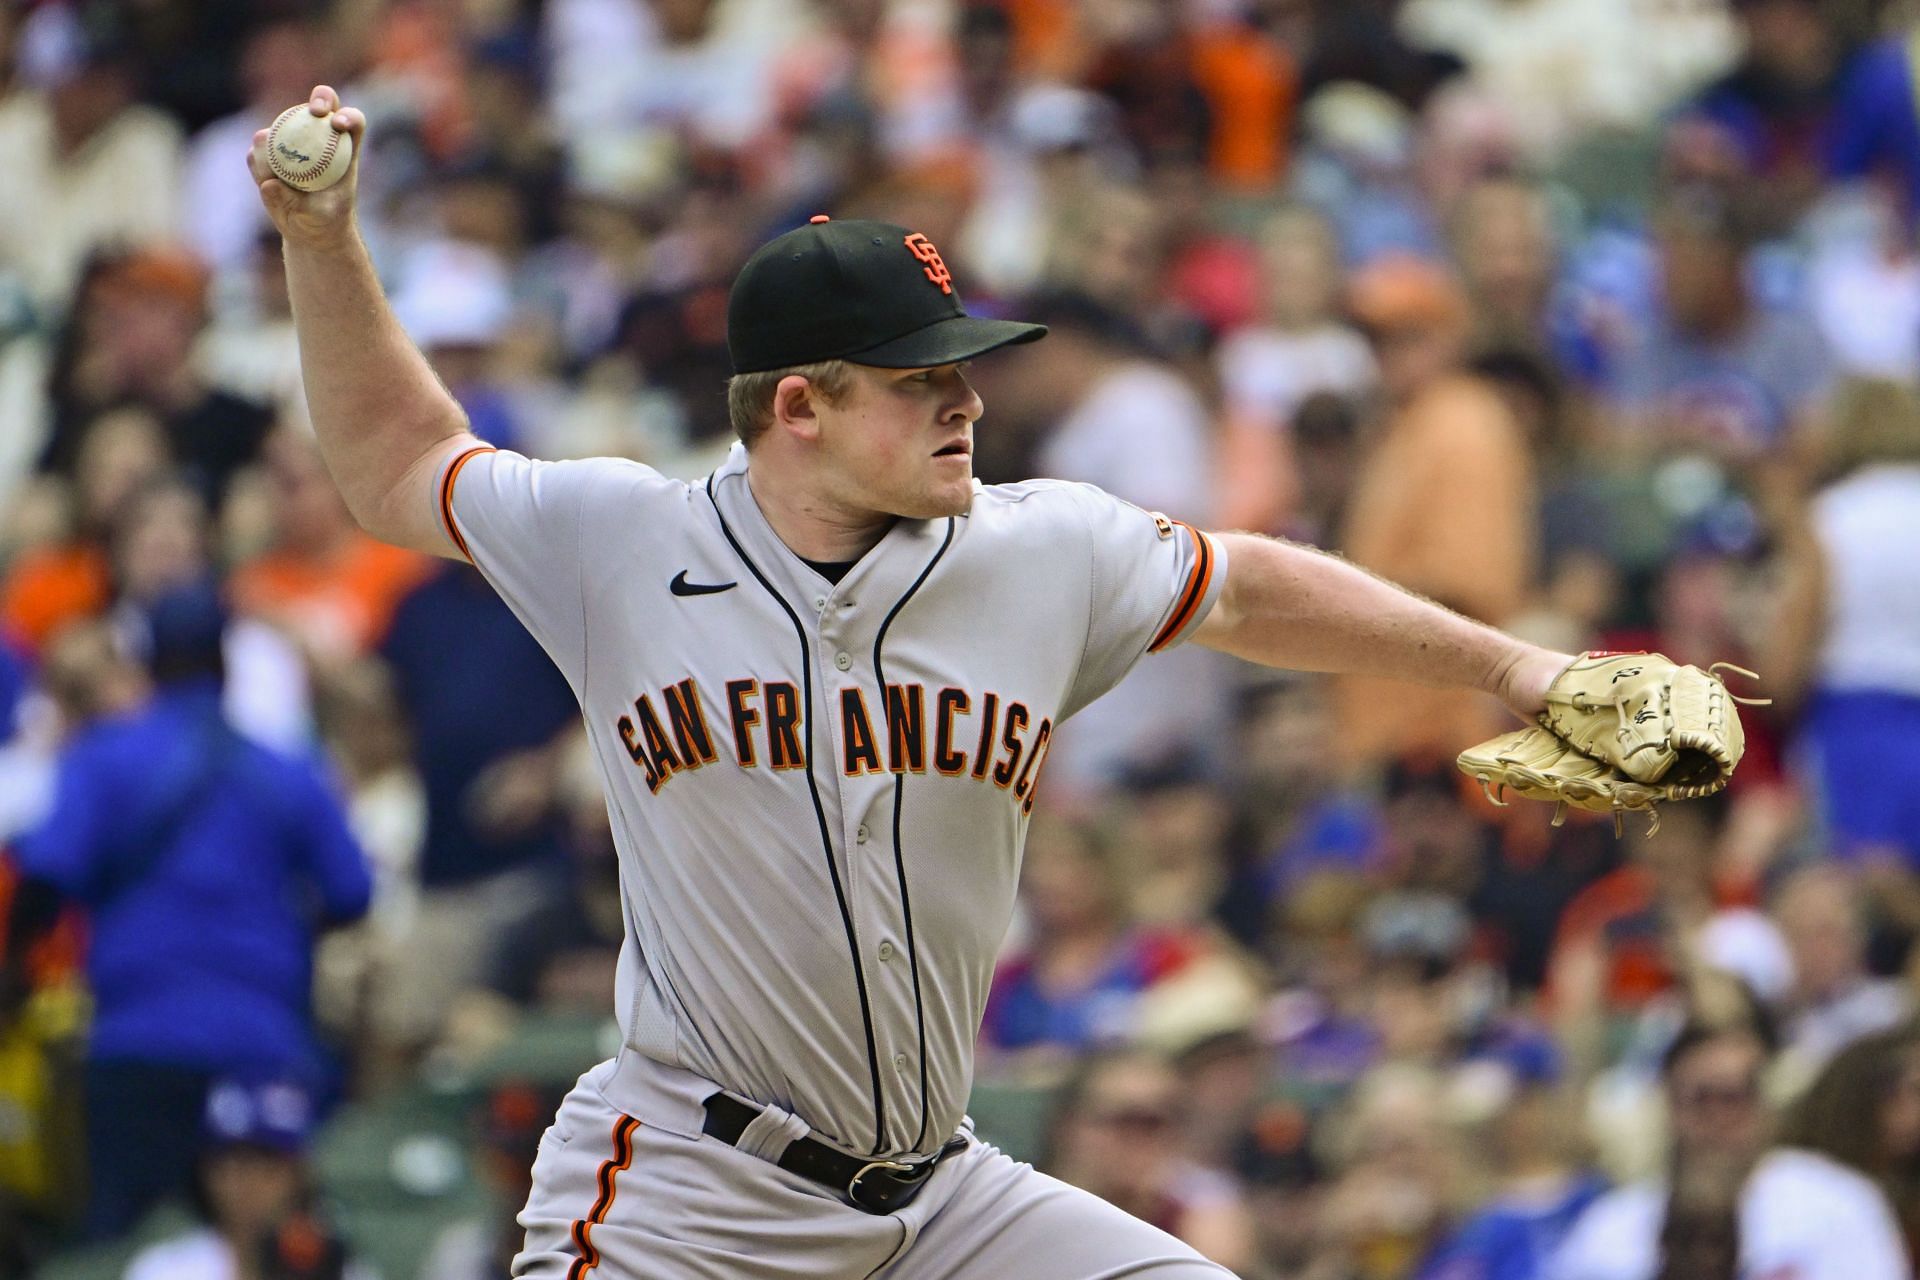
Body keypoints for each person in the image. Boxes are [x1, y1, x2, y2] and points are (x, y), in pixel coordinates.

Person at [252, 85, 1582, 1278]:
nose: (968, 402)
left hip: (939, 1203)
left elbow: (1250, 588)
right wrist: (322, 243)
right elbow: (397, 464)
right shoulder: (623, 542)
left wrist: (1518, 666)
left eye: (965, 369)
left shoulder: (1041, 548)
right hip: (692, 1199)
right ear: (799, 409)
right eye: (920, 378)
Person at [5, 582, 371, 1241]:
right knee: (265, 1253)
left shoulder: (104, 757)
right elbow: (353, 893)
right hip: (262, 1051)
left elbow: (44, 882)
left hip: (136, 1046)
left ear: (145, 663)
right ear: (226, 663)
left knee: (128, 1249)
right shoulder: (284, 768)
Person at [1548, 1020, 1911, 1280]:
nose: (1719, 1117)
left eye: (1735, 1097)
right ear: (1670, 1107)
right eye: (1702, 1099)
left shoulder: (1840, 1203)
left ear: (1763, 1108)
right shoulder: (1611, 1229)